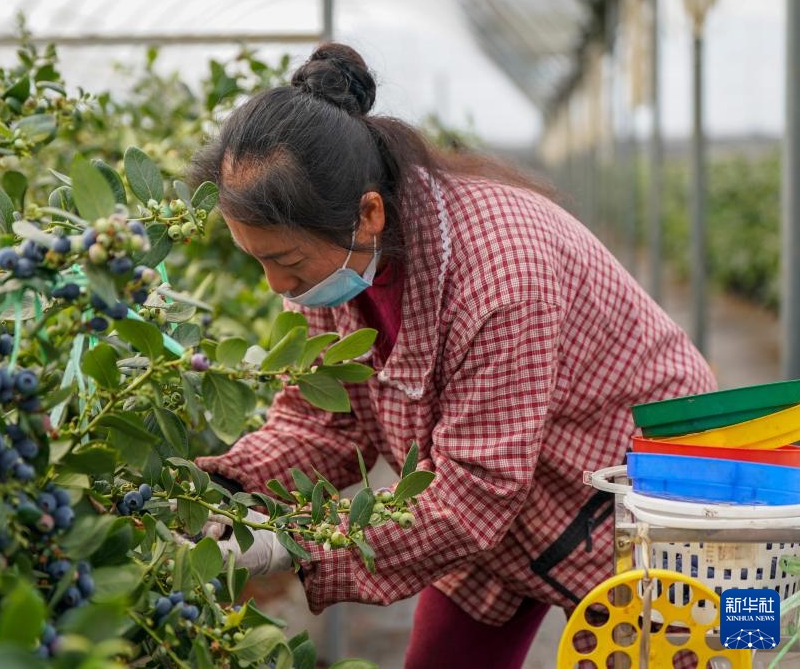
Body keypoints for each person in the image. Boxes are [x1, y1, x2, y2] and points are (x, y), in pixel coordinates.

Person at [188, 43, 715, 668]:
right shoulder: (328, 269)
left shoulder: (498, 273)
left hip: (629, 485)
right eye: (261, 261)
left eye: (285, 262)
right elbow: (324, 419)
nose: (276, 285)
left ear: (369, 213)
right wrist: (227, 487)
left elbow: (476, 494)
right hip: (496, 496)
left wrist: (298, 549)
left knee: (668, 651)